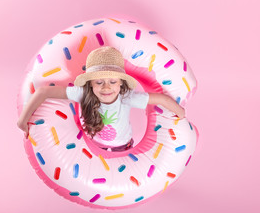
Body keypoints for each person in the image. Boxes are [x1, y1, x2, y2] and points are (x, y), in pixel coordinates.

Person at [17, 46, 185, 152]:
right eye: (99, 82)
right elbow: (43, 92)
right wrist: (23, 121)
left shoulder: (126, 97)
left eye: (112, 82)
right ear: (90, 84)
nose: (106, 88)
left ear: (121, 84)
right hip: (90, 146)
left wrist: (181, 113)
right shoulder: (82, 93)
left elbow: (162, 99)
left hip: (123, 148)